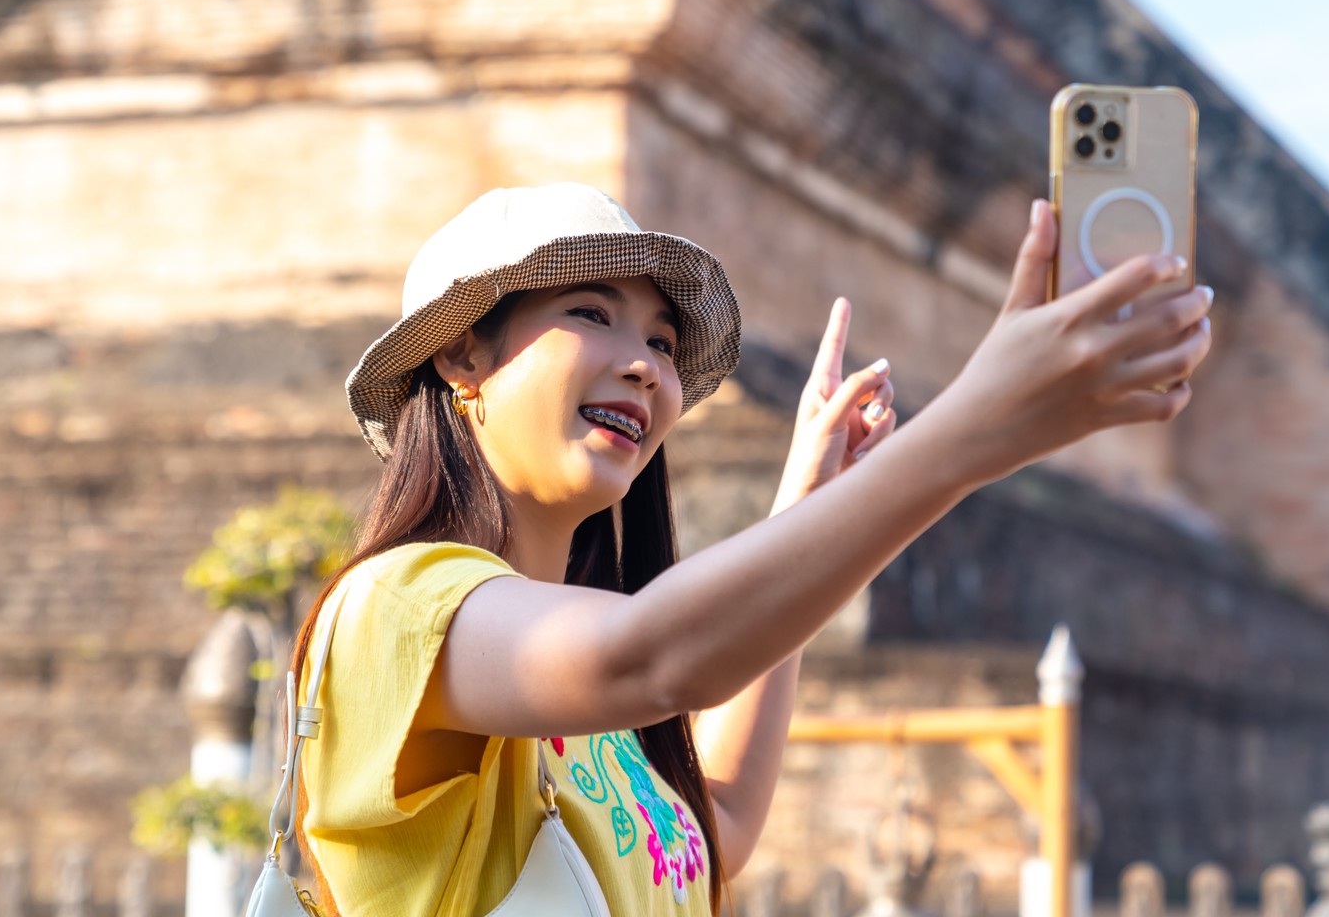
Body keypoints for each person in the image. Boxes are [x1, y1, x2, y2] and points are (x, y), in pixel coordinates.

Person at [289, 182, 1213, 917]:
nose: (645, 362)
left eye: (659, 336)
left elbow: (714, 827)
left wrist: (809, 510)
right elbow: (654, 656)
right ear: (462, 360)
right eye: (588, 313)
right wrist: (972, 434)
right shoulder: (398, 608)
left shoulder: (589, 713)